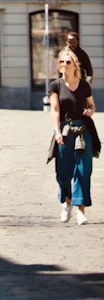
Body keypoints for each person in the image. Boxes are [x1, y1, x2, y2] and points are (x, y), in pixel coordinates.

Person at [48, 48, 96, 224]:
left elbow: (92, 105)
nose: (64, 65)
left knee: (83, 170)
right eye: (61, 62)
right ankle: (67, 204)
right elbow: (55, 109)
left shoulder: (84, 85)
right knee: (63, 171)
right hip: (64, 130)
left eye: (68, 62)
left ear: (75, 65)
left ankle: (80, 210)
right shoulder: (56, 85)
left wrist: (90, 111)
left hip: (83, 130)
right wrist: (57, 131)